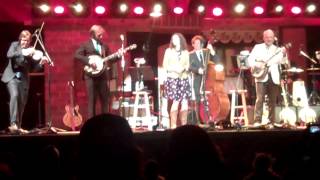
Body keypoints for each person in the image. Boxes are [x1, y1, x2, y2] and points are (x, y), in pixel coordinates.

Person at [1, 30, 48, 133]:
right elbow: (9, 55)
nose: (25, 43)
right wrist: (22, 52)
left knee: (22, 102)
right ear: (20, 38)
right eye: (23, 40)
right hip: (12, 77)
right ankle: (13, 123)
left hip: (23, 79)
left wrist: (41, 63)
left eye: (27, 41)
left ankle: (18, 126)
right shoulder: (14, 45)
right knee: (15, 95)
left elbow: (32, 70)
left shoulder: (31, 52)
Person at [248, 29, 287, 128]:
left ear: (274, 38)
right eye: (267, 37)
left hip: (273, 77)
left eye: (271, 37)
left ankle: (271, 121)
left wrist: (284, 54)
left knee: (272, 100)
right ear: (263, 38)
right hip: (261, 76)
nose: (269, 39)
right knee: (259, 99)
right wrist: (256, 65)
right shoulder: (258, 47)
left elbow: (282, 62)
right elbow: (250, 59)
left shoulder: (278, 49)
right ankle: (257, 120)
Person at [74, 25, 114, 119]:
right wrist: (89, 62)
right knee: (92, 101)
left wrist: (119, 55)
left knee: (105, 100)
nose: (101, 36)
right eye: (99, 34)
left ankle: (106, 123)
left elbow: (111, 58)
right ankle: (92, 126)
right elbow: (77, 55)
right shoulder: (85, 44)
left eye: (102, 35)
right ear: (92, 34)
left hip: (102, 76)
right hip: (90, 76)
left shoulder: (104, 46)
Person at [189, 35, 220, 125]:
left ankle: (209, 119)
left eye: (200, 43)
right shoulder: (190, 55)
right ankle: (198, 120)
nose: (198, 45)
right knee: (198, 100)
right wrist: (198, 70)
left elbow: (217, 60)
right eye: (196, 43)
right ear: (193, 45)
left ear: (202, 44)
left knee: (207, 100)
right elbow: (189, 66)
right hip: (196, 79)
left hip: (207, 80)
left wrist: (212, 51)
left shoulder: (206, 53)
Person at [162, 33, 191, 129]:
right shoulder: (168, 51)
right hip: (173, 78)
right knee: (175, 101)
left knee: (185, 101)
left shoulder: (185, 52)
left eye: (176, 39)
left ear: (180, 40)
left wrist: (185, 68)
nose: (174, 41)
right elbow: (165, 65)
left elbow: (188, 65)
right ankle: (173, 126)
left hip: (184, 78)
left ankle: (184, 125)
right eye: (173, 39)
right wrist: (175, 69)